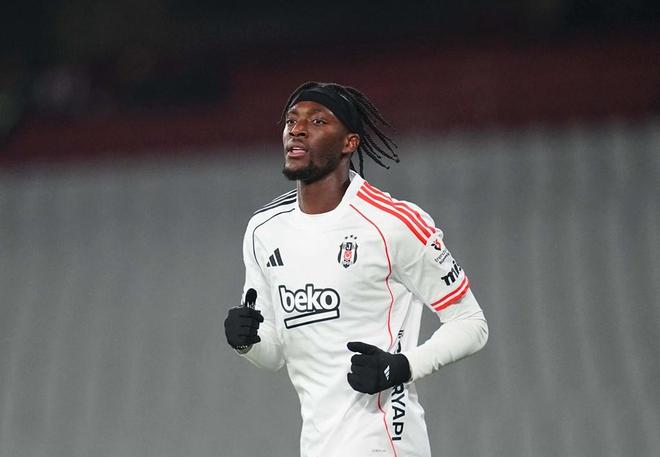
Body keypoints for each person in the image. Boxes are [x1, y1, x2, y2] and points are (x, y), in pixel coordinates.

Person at [224, 81, 488, 457]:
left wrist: (401, 366)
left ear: (349, 143)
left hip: (386, 443)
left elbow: (471, 324)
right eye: (291, 121)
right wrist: (246, 341)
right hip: (317, 446)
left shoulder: (394, 223)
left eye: (317, 121)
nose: (297, 130)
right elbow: (275, 354)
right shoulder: (264, 230)